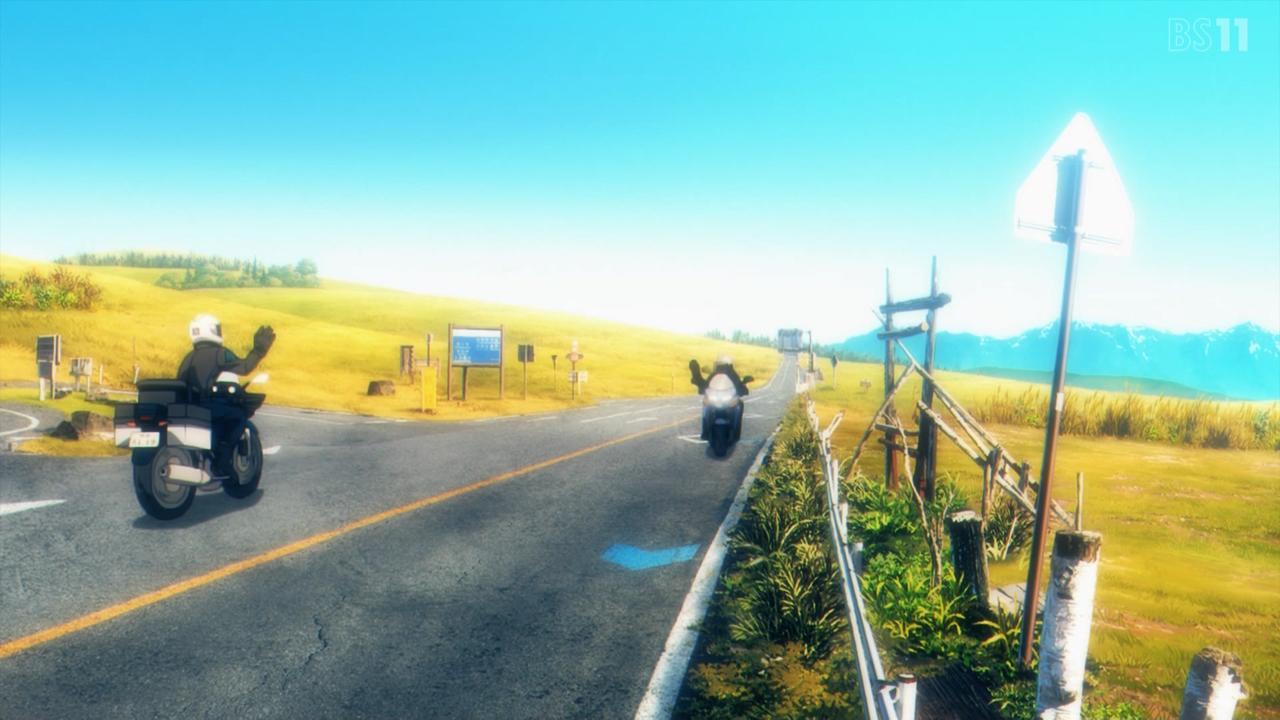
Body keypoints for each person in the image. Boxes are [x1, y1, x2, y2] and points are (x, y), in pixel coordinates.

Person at [177, 314, 275, 474]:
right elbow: (244, 368)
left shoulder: (188, 358)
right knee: (237, 416)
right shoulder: (219, 353)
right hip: (204, 408)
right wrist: (259, 351)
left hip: (186, 408)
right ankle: (222, 460)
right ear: (212, 331)